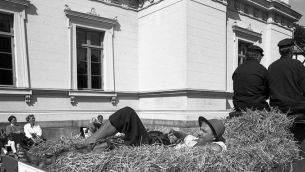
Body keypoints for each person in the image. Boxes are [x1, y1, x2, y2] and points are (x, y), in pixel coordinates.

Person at [80, 107, 226, 152]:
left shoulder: (217, 145)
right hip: (156, 142)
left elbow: (215, 150)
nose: (199, 132)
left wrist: (187, 149)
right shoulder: (194, 139)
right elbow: (185, 134)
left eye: (204, 132)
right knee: (118, 140)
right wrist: (175, 132)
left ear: (214, 137)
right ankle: (92, 139)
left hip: (155, 150)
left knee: (127, 114)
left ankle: (90, 140)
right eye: (200, 129)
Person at [268, 38, 305, 117]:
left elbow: (268, 89)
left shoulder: (271, 67)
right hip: (297, 110)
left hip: (277, 111)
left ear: (280, 51)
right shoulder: (298, 65)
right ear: (292, 50)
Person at [232, 44, 270, 111]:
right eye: (261, 57)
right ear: (258, 56)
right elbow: (268, 92)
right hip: (258, 108)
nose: (261, 59)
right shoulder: (262, 70)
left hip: (239, 107)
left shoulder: (238, 69)